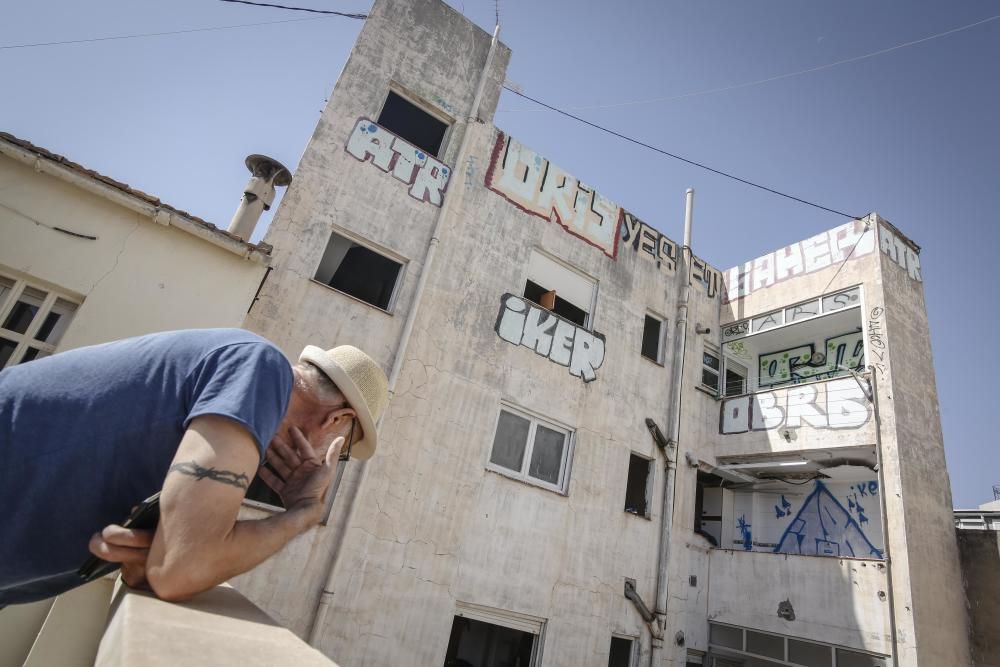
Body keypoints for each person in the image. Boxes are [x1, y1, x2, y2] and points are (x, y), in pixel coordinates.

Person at [0, 328, 388, 605]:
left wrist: (167, 548)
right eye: (343, 452)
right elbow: (180, 570)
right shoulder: (260, 369)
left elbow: (151, 571)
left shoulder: (234, 426)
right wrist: (304, 513)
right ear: (337, 420)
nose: (326, 459)